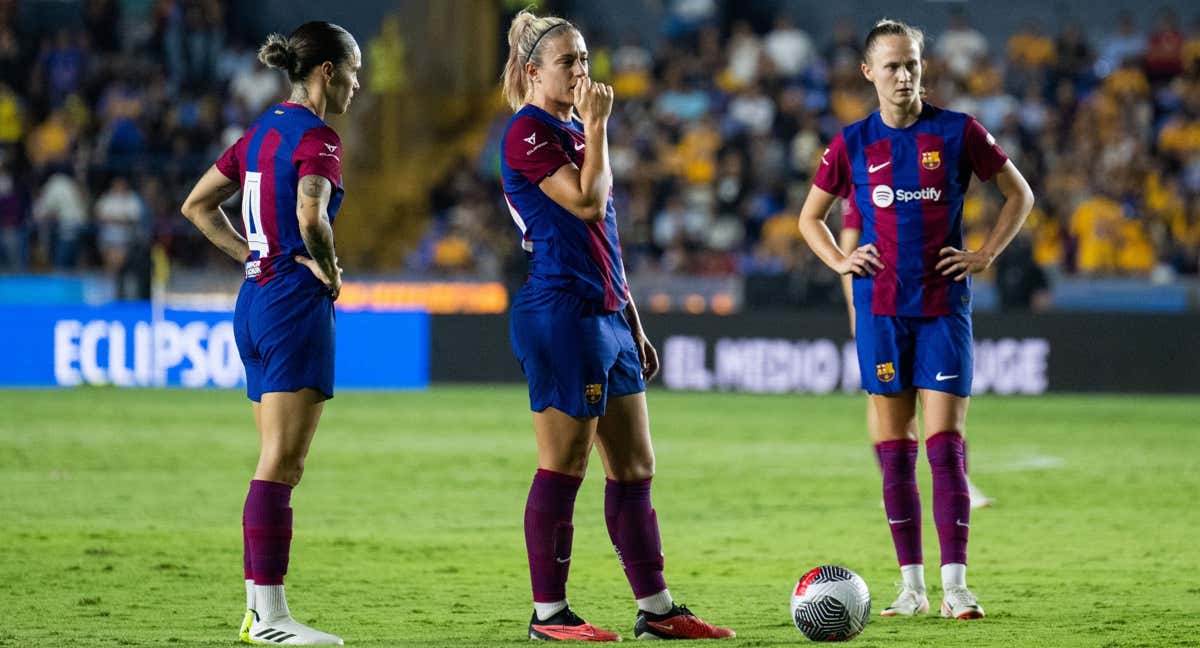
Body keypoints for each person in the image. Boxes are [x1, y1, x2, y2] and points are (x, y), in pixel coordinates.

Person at [499, 9, 734, 642]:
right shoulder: (528, 132)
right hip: (561, 313)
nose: (581, 71)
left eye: (584, 59)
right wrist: (598, 125)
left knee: (635, 467)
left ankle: (656, 609)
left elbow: (605, 237)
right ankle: (549, 615)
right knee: (564, 464)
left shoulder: (576, 132)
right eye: (567, 61)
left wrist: (633, 321)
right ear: (532, 71)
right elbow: (584, 200)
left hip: (606, 315)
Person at [798, 19, 1034, 621]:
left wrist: (984, 254)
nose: (905, 76)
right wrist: (841, 260)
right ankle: (912, 588)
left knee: (946, 448)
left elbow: (1020, 195)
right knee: (895, 450)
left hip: (942, 310)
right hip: (880, 312)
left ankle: (956, 588)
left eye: (913, 65)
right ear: (869, 72)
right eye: (894, 66)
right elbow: (810, 219)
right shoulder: (851, 142)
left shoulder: (958, 132)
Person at [180, 21, 360, 646]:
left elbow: (197, 205)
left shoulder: (259, 133)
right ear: (328, 72)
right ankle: (271, 618)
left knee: (272, 462)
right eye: (355, 75)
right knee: (282, 466)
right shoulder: (320, 139)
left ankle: (259, 609)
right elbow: (313, 217)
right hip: (291, 306)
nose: (357, 88)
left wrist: (252, 253)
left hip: (253, 302)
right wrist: (331, 274)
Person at [838, 199, 996, 508]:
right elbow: (849, 246)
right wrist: (855, 311)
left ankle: (959, 480)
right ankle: (893, 482)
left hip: (926, 300)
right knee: (884, 395)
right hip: (882, 305)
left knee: (943, 399)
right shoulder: (862, 170)